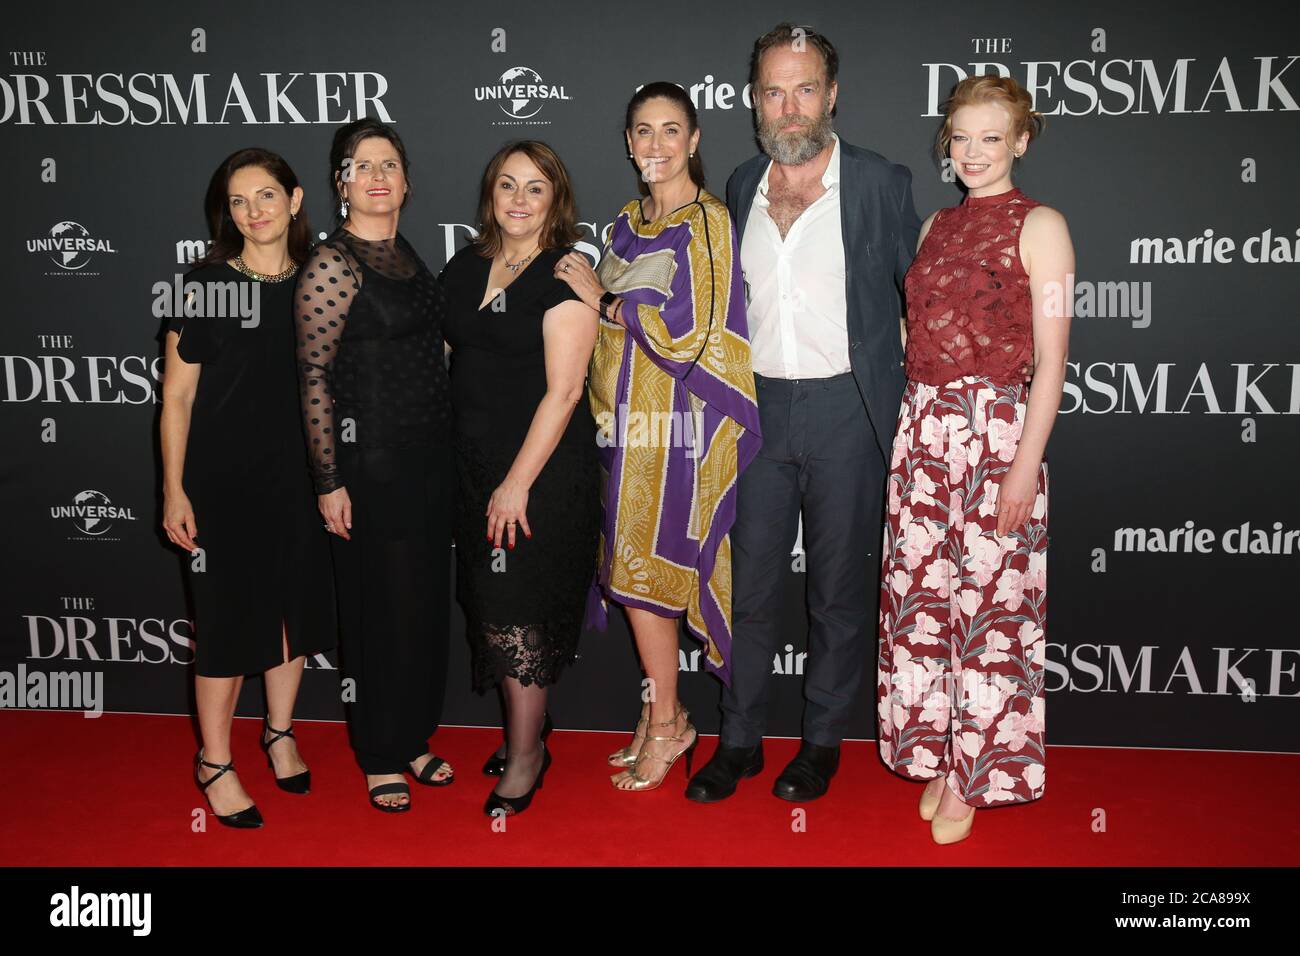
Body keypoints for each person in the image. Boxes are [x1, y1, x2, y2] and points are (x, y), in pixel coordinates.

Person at [687, 23, 921, 804]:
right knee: (749, 586)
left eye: (805, 88)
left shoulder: (881, 183)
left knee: (835, 594)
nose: (789, 107)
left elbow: (915, 302)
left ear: (832, 94)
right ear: (755, 99)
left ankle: (821, 742)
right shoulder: (742, 181)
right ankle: (741, 738)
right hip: (757, 408)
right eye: (773, 91)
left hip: (846, 409)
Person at [877, 74, 1071, 845]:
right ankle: (939, 753)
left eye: (992, 137)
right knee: (924, 606)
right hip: (923, 430)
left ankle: (974, 774)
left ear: (1021, 141)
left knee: (991, 613)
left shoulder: (1043, 225)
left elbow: (1053, 359)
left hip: (996, 434)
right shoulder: (933, 228)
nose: (973, 152)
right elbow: (912, 333)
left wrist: (1026, 464)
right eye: (961, 137)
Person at [555, 82, 760, 792]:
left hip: (673, 432)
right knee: (632, 574)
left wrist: (602, 299)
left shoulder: (707, 224)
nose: (655, 146)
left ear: (695, 139)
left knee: (649, 578)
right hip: (618, 430)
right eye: (642, 131)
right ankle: (659, 714)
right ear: (628, 140)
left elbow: (695, 337)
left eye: (670, 131)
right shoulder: (623, 222)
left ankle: (671, 723)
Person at [161, 148, 335, 828]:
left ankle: (280, 733)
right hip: (222, 483)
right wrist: (174, 490)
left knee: (292, 614)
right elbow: (174, 397)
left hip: (304, 480)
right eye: (238, 201)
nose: (253, 212)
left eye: (266, 196)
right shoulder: (204, 282)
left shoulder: (322, 280)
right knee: (228, 627)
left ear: (294, 201)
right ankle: (214, 761)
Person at [295, 118, 456, 813]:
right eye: (362, 166)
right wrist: (330, 480)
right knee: (377, 612)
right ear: (341, 184)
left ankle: (414, 735)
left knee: (421, 608)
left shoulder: (407, 254)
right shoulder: (334, 262)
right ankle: (379, 753)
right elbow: (313, 374)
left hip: (428, 461)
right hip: (369, 464)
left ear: (406, 181)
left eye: (389, 164)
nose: (378, 176)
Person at [440, 141, 600, 816]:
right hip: (472, 469)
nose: (519, 199)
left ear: (556, 200)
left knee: (517, 619)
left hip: (538, 476)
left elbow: (564, 393)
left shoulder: (564, 274)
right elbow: (448, 357)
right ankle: (528, 731)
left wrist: (516, 484)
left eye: (536, 188)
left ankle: (527, 755)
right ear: (490, 193)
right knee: (491, 607)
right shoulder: (463, 266)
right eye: (508, 185)